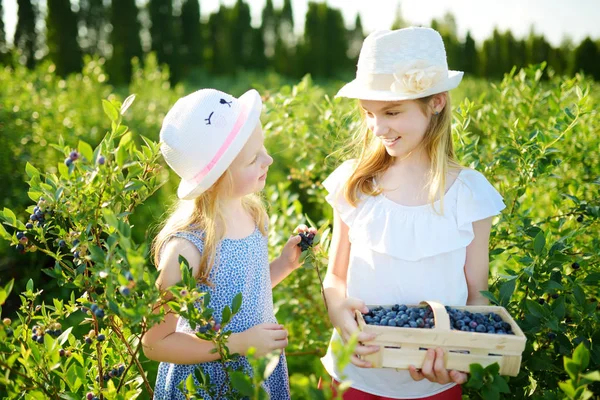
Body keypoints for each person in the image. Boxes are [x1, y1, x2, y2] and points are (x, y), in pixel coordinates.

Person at [320, 27, 506, 399]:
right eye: (368, 113)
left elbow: (476, 296)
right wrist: (338, 313)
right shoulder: (357, 184)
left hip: (432, 385)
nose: (378, 127)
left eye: (391, 111)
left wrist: (457, 354)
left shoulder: (468, 194)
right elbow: (335, 277)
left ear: (436, 102)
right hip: (355, 376)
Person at [143, 88, 312, 399]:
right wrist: (237, 344)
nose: (268, 159)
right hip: (209, 383)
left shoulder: (250, 211)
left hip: (257, 372)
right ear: (217, 176)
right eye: (253, 159)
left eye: (263, 148)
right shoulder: (187, 249)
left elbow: (244, 294)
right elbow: (155, 342)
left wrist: (284, 264)